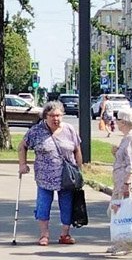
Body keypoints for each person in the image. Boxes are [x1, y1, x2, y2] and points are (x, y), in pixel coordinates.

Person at [17, 100, 84, 247]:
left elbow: (77, 150)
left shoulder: (69, 129)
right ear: (45, 116)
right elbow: (22, 146)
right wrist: (23, 164)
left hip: (67, 176)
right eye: (52, 116)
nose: (56, 119)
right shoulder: (36, 130)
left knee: (66, 205)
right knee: (43, 205)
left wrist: (80, 170)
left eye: (59, 115)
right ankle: (44, 235)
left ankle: (65, 234)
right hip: (44, 176)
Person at [107, 107, 132, 258]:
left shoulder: (131, 138)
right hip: (120, 181)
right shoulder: (127, 137)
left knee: (125, 213)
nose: (116, 123)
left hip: (126, 183)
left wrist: (127, 183)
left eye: (118, 120)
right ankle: (120, 242)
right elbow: (125, 158)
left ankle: (127, 244)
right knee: (117, 211)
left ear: (124, 122)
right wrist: (116, 152)